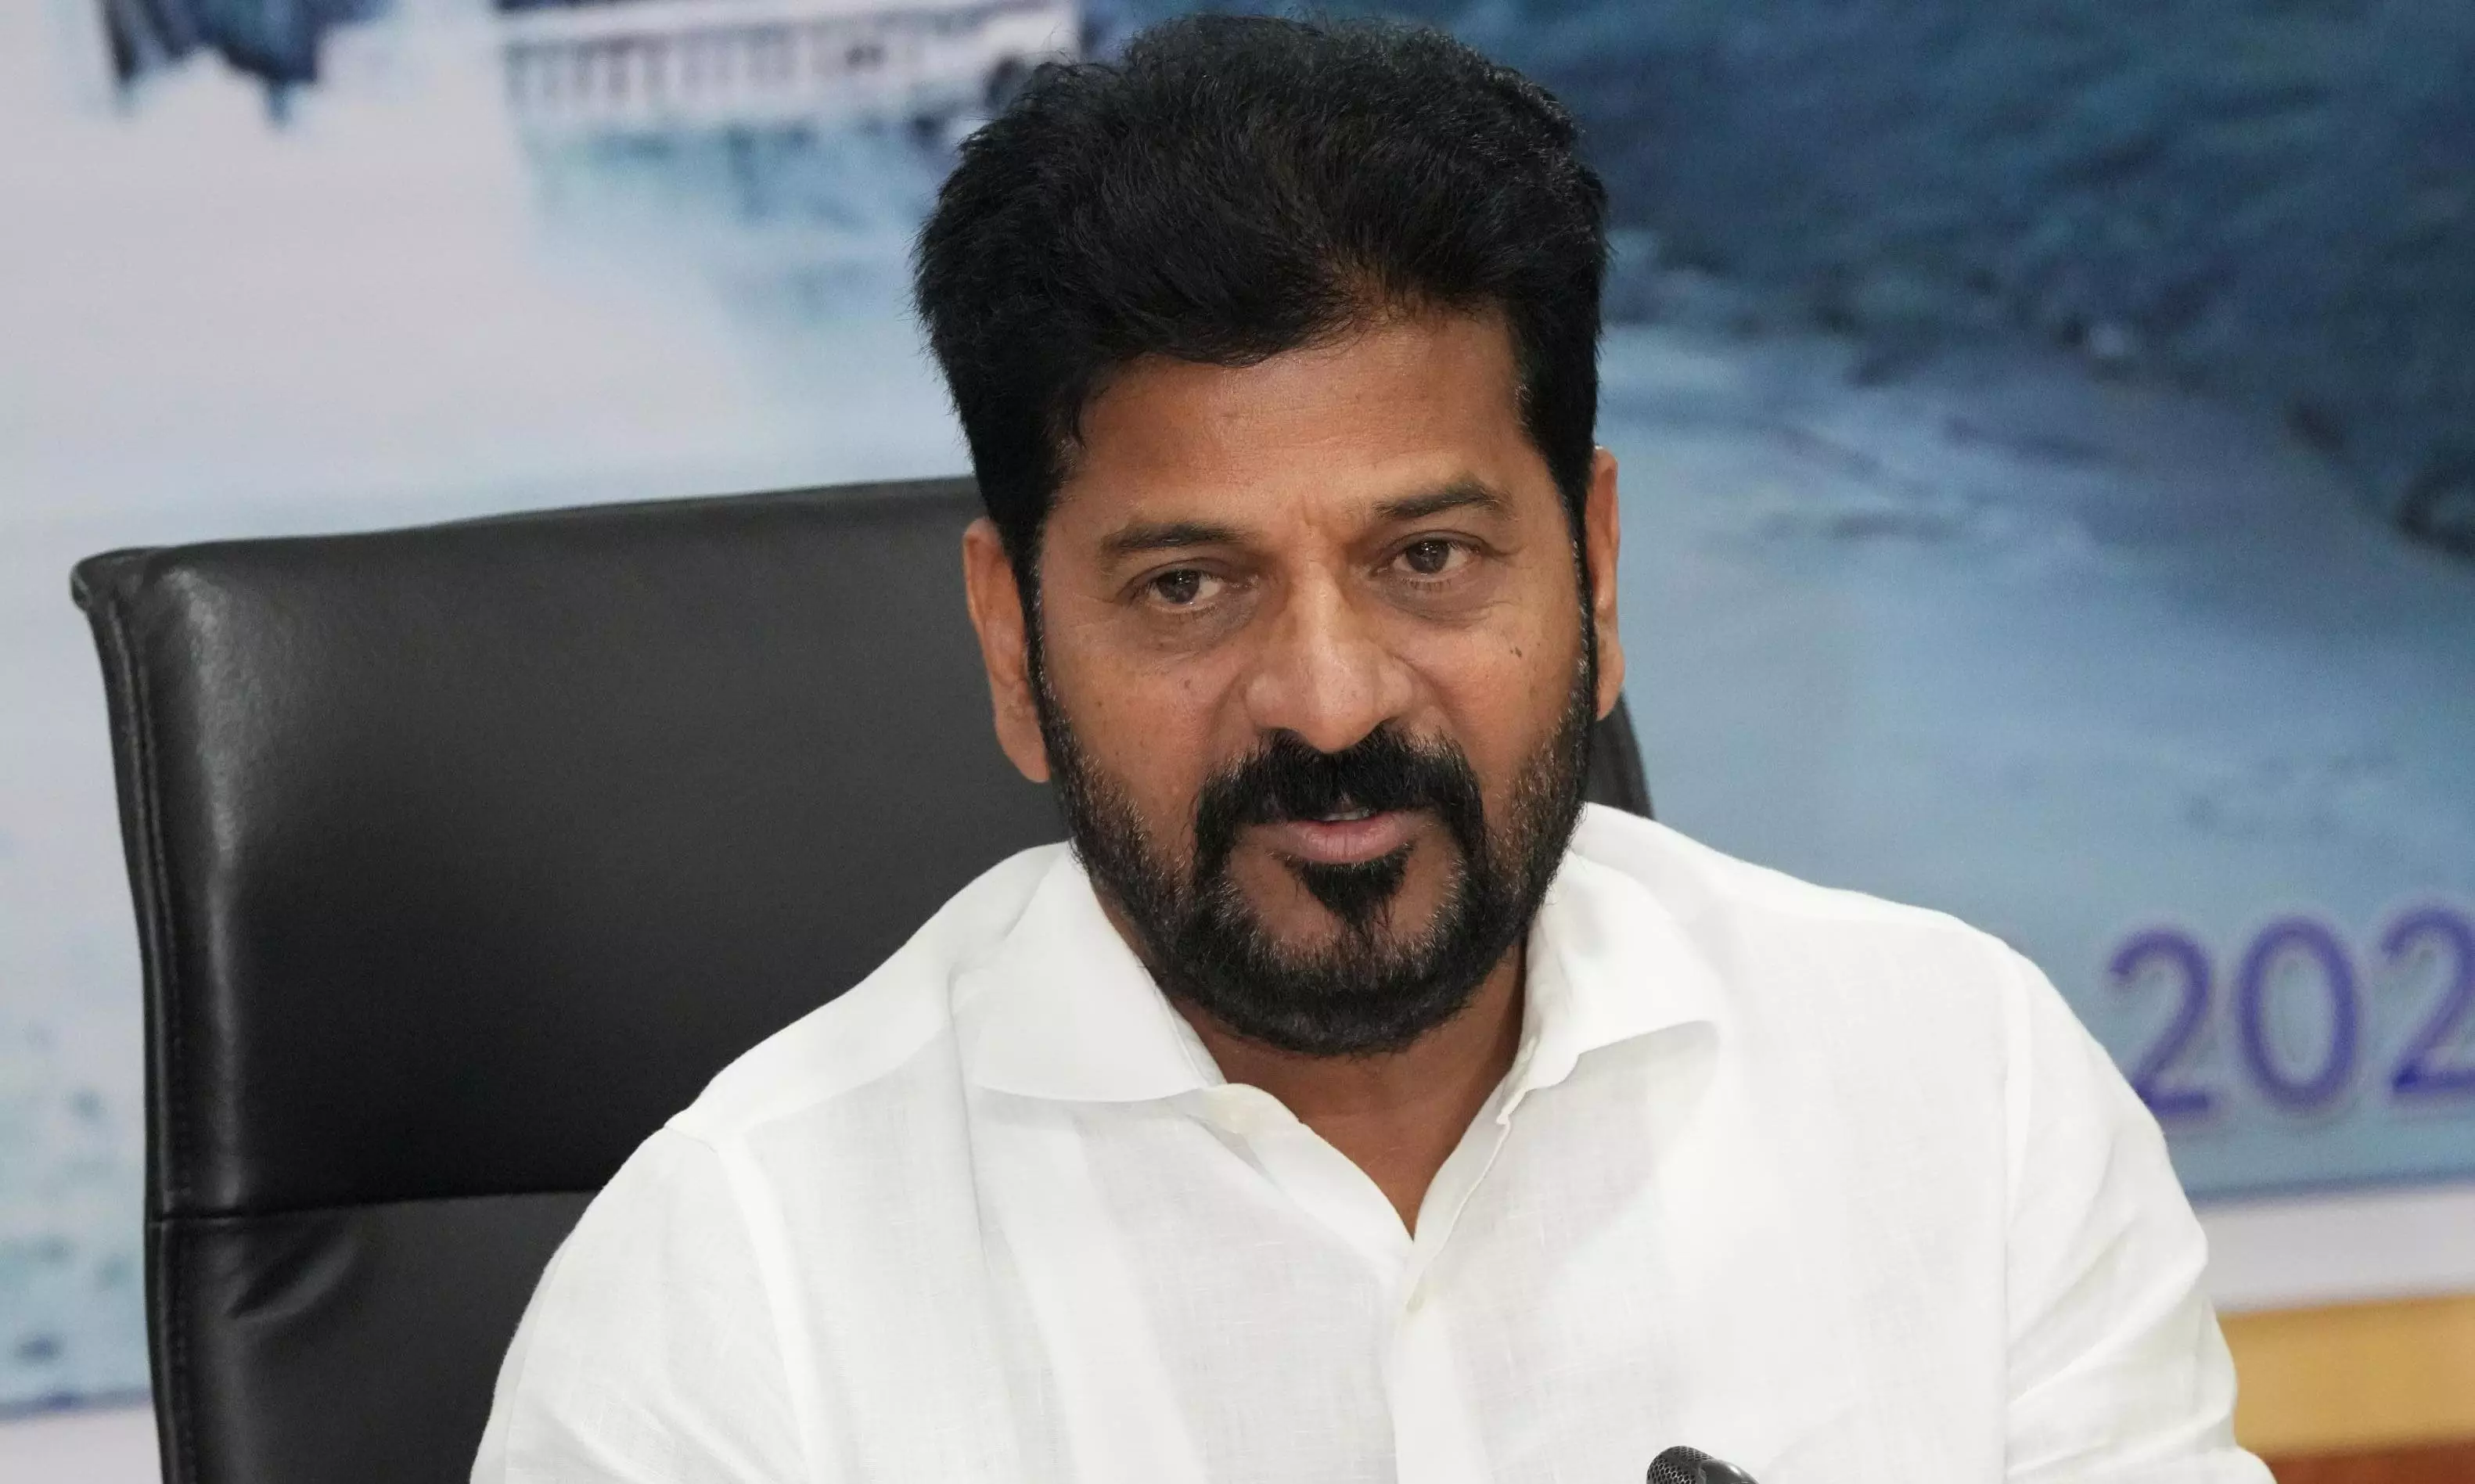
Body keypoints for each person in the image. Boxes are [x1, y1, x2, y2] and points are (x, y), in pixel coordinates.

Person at [473, 16, 2268, 1483]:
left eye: (1428, 560)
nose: (1329, 706)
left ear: (1598, 570)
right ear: (1014, 644)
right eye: (1189, 587)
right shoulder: (736, 1293)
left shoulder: (1964, 1098)